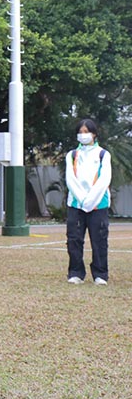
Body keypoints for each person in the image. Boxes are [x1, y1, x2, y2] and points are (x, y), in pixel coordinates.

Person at [65, 118, 111, 285]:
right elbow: (70, 179)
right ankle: (76, 272)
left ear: (94, 134)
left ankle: (100, 274)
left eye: (87, 132)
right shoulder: (72, 155)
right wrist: (82, 200)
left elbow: (104, 179)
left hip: (98, 204)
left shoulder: (103, 154)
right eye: (81, 132)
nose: (83, 135)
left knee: (99, 240)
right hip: (76, 204)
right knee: (74, 239)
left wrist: (91, 201)